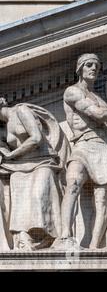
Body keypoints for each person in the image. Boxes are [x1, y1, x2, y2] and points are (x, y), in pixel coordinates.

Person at [53, 53, 107, 249]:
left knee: (103, 199)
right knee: (72, 184)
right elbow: (97, 114)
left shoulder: (100, 98)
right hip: (83, 145)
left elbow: (106, 121)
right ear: (79, 69)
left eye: (96, 66)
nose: (93, 69)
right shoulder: (72, 92)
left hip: (105, 148)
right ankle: (65, 235)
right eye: (89, 65)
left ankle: (96, 245)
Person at [0, 97, 69, 250]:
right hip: (19, 167)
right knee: (18, 195)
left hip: (42, 162)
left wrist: (11, 155)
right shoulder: (3, 128)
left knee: (39, 195)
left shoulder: (20, 111)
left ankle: (48, 237)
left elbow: (36, 138)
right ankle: (24, 238)